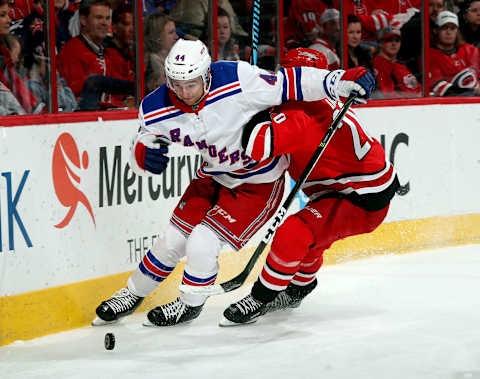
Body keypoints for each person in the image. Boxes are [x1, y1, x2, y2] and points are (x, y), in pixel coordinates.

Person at [93, 38, 375, 327]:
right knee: (171, 240)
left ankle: (189, 303)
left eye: (191, 83)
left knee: (202, 241)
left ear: (207, 74)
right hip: (213, 176)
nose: (184, 92)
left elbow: (290, 82)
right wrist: (142, 154)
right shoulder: (156, 105)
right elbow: (144, 137)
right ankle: (131, 294)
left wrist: (338, 80)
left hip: (258, 184)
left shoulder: (237, 78)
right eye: (176, 84)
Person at [220, 48, 399, 326]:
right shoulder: (326, 100)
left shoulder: (300, 113)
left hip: (360, 198)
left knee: (294, 232)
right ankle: (300, 287)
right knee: (313, 238)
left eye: (287, 72)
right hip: (356, 189)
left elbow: (257, 146)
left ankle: (262, 297)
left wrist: (249, 109)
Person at [57, 0, 134, 110]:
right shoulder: (72, 51)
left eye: (107, 18)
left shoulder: (107, 53)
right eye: (99, 18)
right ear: (83, 20)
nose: (105, 23)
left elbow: (123, 89)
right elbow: (77, 99)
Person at [429, 10, 480, 96]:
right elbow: (442, 87)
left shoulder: (471, 50)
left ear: (457, 30)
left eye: (453, 28)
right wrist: (473, 92)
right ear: (436, 30)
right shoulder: (429, 55)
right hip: (452, 104)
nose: (449, 32)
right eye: (444, 27)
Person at [372, 27, 421, 98]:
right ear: (380, 43)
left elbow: (419, 90)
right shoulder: (376, 65)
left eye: (397, 41)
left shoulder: (401, 67)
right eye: (389, 40)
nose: (394, 44)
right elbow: (386, 95)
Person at [143, 13, 178, 94]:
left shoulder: (169, 60)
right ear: (157, 37)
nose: (176, 37)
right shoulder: (152, 63)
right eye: (171, 33)